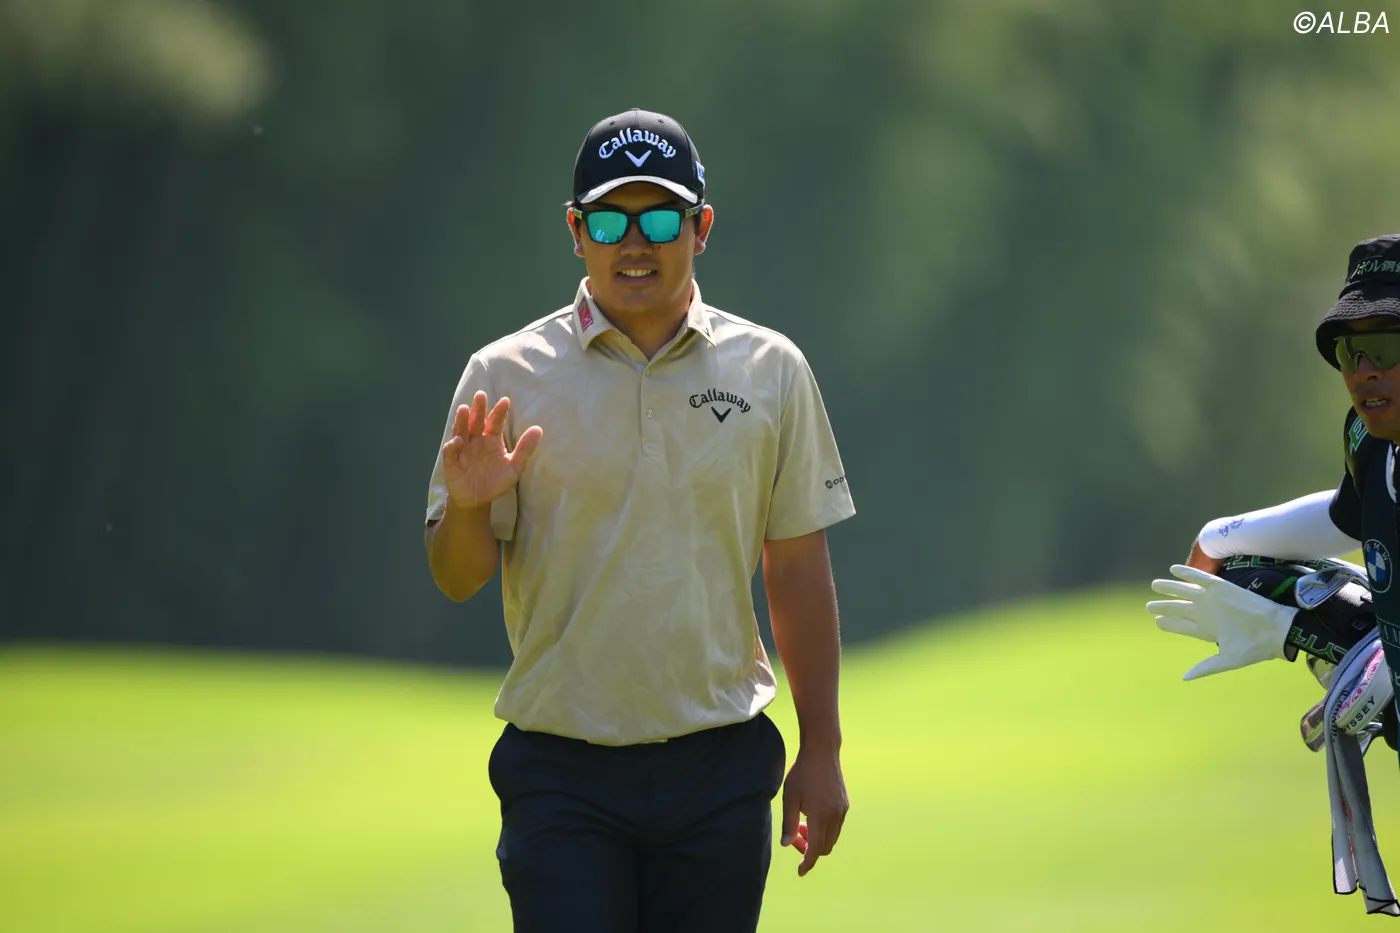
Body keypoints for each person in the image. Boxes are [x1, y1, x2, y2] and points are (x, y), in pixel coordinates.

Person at [423, 108, 856, 933]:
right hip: (562, 773)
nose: (634, 243)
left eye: (659, 220)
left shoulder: (771, 370)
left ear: (702, 228)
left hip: (720, 764)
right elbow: (456, 576)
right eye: (608, 221)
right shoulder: (505, 375)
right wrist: (471, 504)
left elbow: (798, 570)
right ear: (574, 231)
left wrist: (822, 748)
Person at [1146, 234, 1400, 697]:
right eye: (1349, 350)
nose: (1364, 370)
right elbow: (1349, 516)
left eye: (1384, 345)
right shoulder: (1371, 443)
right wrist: (1220, 538)